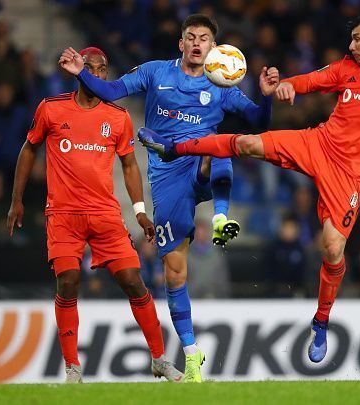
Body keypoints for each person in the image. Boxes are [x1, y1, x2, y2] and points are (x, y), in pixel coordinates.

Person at [138, 12, 360, 363]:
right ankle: (173, 147)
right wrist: (287, 85)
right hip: (319, 143)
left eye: (357, 38)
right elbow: (314, 80)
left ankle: (320, 320)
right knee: (248, 143)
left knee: (332, 248)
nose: (351, 45)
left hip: (349, 175)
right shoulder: (348, 67)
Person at [58, 14, 279, 382]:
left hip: (198, 159)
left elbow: (258, 121)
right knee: (174, 273)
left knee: (222, 144)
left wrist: (267, 99)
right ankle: (192, 352)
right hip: (165, 176)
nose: (196, 43)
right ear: (181, 43)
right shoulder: (156, 72)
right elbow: (112, 92)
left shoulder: (221, 83)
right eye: (190, 37)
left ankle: (221, 217)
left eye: (204, 38)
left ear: (213, 47)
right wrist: (83, 72)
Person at [7, 47, 182, 383]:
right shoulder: (51, 108)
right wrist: (17, 200)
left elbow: (130, 165)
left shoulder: (117, 116)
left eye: (103, 69)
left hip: (105, 215)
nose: (98, 74)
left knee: (133, 281)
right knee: (69, 282)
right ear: (79, 70)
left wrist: (141, 213)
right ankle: (73, 369)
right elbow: (29, 147)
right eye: (91, 67)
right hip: (63, 215)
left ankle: (159, 359)